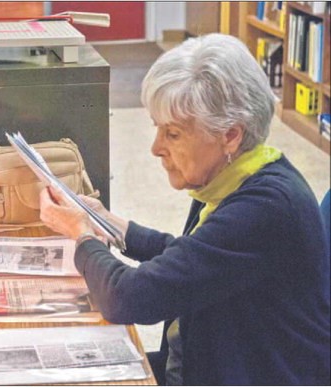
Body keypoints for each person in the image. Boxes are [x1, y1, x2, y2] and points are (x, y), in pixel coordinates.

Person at [39, 33, 330, 385]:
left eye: (173, 134)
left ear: (231, 135)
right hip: (206, 358)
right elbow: (194, 257)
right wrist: (112, 225)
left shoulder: (265, 207)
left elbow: (128, 298)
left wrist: (83, 236)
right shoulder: (230, 178)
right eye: (158, 130)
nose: (155, 148)